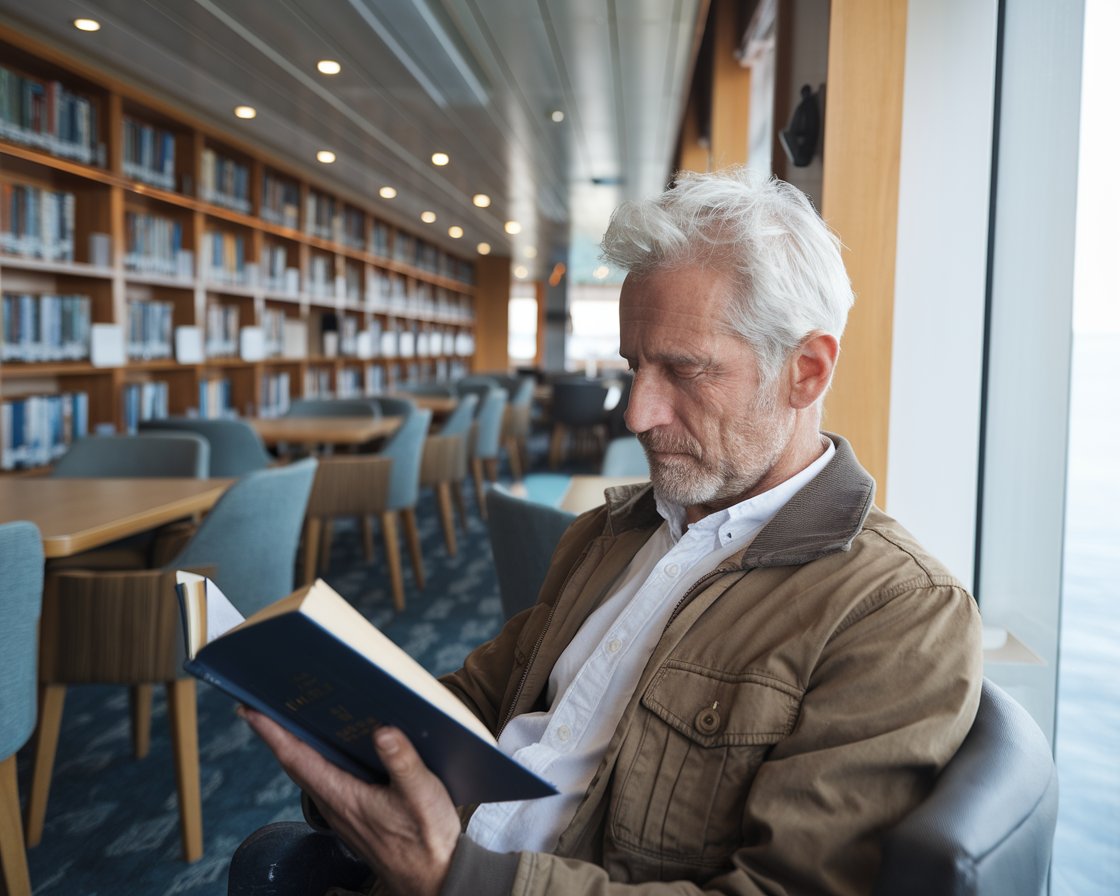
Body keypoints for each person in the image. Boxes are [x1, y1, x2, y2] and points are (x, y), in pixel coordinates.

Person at [242, 167, 983, 896]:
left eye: (684, 372)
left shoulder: (898, 615)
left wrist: (452, 877)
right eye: (634, 367)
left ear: (807, 371)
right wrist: (338, 743)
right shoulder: (610, 533)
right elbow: (478, 699)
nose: (636, 415)